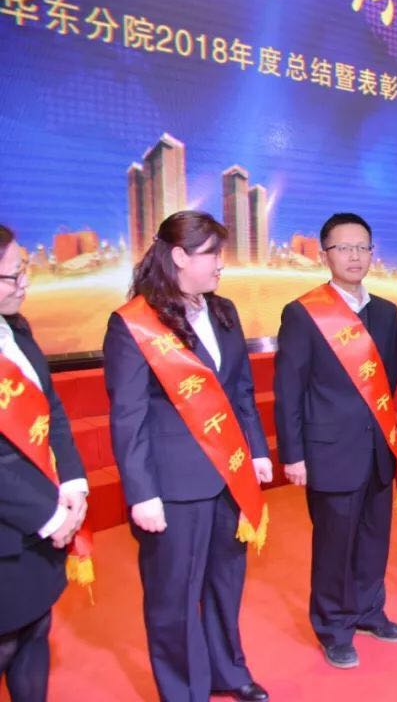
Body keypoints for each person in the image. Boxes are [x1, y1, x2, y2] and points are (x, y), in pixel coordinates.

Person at [104, 211, 272, 702]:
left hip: (230, 474)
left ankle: (228, 671)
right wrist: (141, 493)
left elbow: (241, 391)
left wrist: (256, 450)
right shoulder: (134, 324)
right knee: (174, 597)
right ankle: (184, 690)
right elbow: (128, 416)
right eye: (212, 254)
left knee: (226, 581)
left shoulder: (224, 311)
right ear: (179, 256)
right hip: (173, 487)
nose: (221, 263)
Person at [273, 213, 397, 669]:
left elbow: (389, 381)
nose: (355, 256)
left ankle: (369, 611)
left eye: (362, 247)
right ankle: (333, 627)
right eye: (344, 248)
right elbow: (289, 389)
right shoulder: (303, 313)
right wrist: (293, 454)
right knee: (333, 546)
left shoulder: (387, 313)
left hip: (377, 447)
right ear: (324, 254)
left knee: (374, 537)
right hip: (329, 451)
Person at [0, 225, 89, 702]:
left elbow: (49, 407)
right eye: (13, 276)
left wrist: (72, 482)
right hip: (13, 525)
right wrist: (48, 515)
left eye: (24, 271)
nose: (25, 284)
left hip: (44, 519)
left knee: (35, 634)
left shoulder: (16, 327)